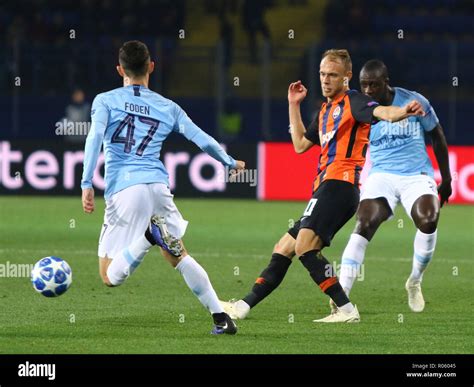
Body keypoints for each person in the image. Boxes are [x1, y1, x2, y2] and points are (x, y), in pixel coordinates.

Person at [220, 49, 425, 323]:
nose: (326, 80)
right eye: (322, 74)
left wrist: (403, 112)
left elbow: (382, 112)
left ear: (346, 77)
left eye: (333, 75)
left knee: (305, 247)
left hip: (340, 186)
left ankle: (346, 309)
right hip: (325, 187)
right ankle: (243, 307)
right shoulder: (325, 110)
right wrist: (293, 104)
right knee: (284, 248)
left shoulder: (354, 101)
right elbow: (300, 145)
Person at [81, 40, 245, 335]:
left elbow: (94, 138)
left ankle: (147, 237)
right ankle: (221, 318)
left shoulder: (105, 100)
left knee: (108, 276)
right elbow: (202, 138)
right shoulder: (167, 107)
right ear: (151, 67)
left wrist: (86, 182)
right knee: (177, 255)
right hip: (158, 186)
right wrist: (229, 162)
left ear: (120, 69)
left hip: (125, 189)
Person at [335, 59, 452, 313]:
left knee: (429, 220)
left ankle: (414, 280)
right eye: (363, 85)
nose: (367, 90)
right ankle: (341, 296)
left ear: (386, 82)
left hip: (416, 175)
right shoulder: (362, 108)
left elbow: (437, 135)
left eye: (373, 85)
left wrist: (448, 179)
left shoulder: (414, 100)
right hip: (381, 175)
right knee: (364, 222)